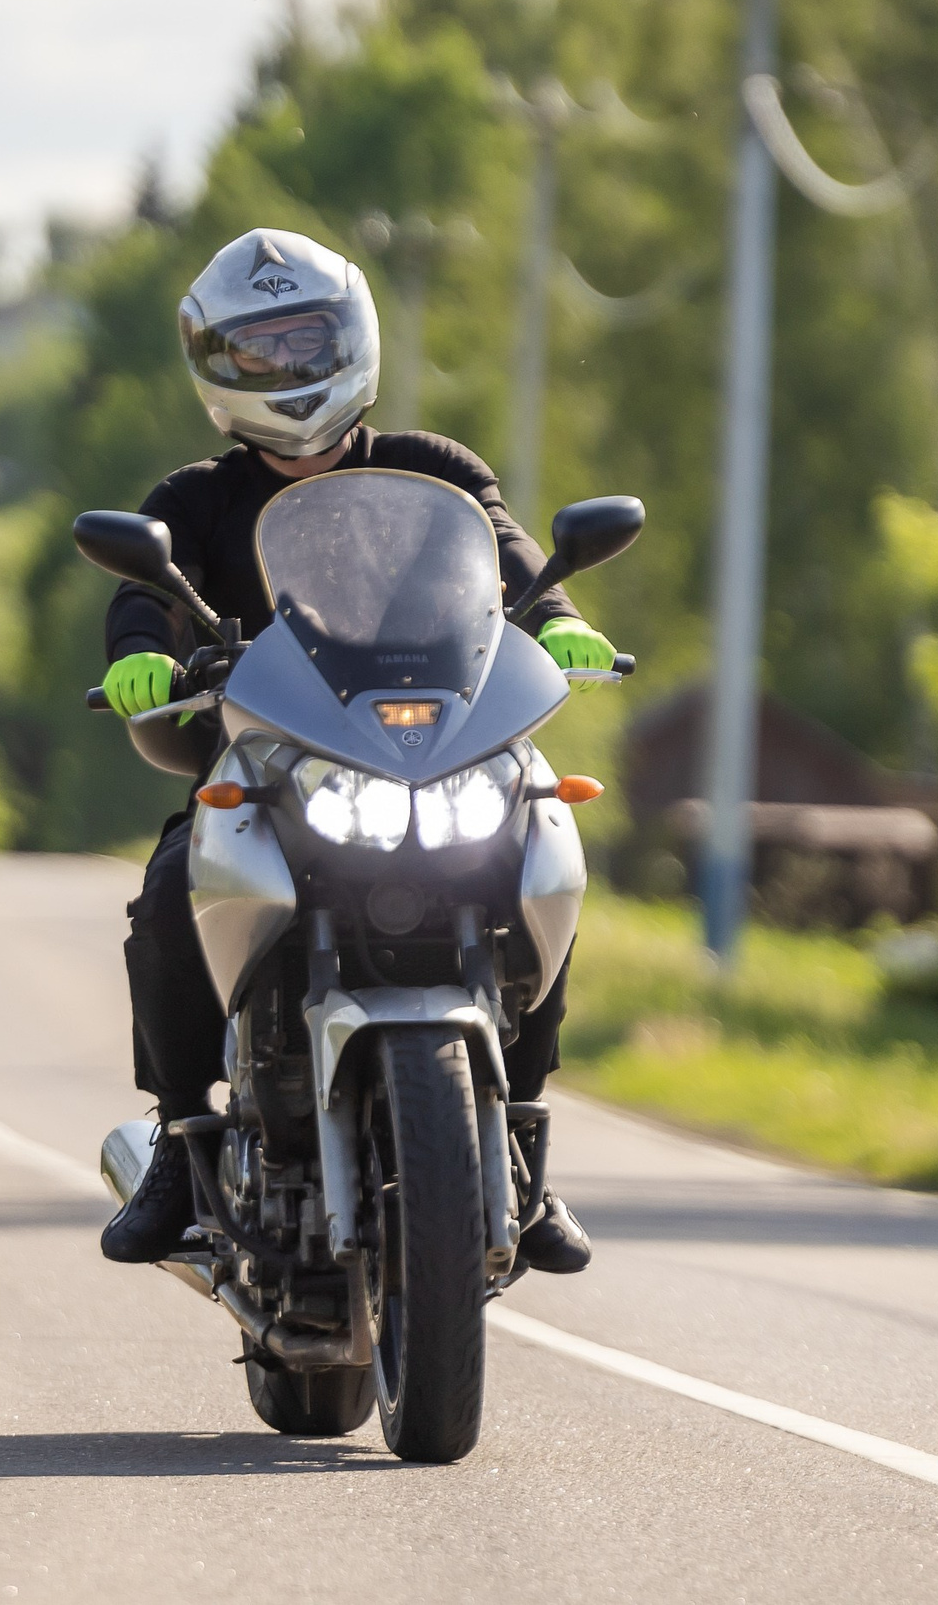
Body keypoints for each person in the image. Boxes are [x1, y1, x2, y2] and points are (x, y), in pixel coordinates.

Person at [96, 227, 617, 1274]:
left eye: (306, 342)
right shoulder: (192, 500)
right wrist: (140, 656)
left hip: (438, 752)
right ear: (215, 366)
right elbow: (143, 594)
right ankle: (181, 1141)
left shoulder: (436, 471)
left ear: (353, 339)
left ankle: (522, 1138)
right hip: (271, 765)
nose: (287, 369)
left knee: (540, 845)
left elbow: (510, 551)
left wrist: (558, 618)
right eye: (258, 351)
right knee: (168, 892)